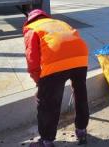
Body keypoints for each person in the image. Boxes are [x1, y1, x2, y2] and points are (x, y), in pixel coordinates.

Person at [23, 9, 90, 147]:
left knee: (48, 102)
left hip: (56, 60)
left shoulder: (32, 29)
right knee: (80, 93)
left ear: (29, 20)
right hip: (81, 57)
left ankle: (46, 140)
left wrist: (40, 85)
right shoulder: (59, 22)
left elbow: (32, 62)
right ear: (44, 16)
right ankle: (82, 130)